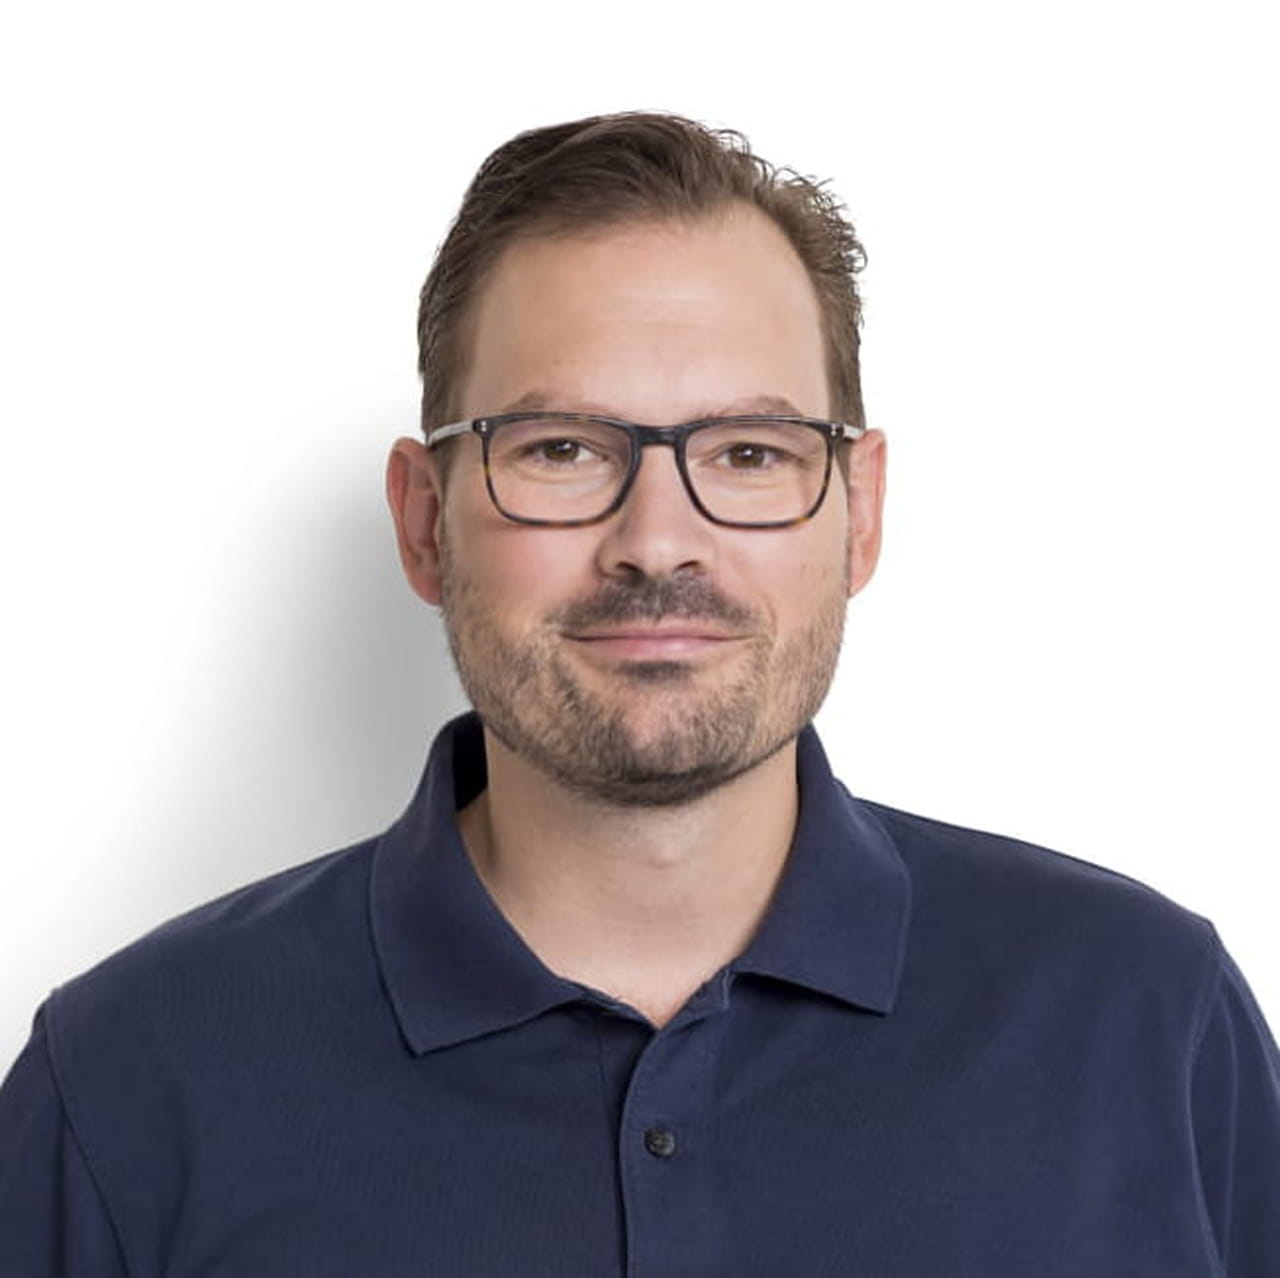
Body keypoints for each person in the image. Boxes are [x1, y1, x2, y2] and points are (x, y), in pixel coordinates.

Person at [1, 111, 1277, 1276]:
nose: (656, 540)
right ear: (424, 521)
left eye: (749, 452)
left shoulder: (1147, 1021)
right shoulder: (122, 1080)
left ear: (858, 514)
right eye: (560, 450)